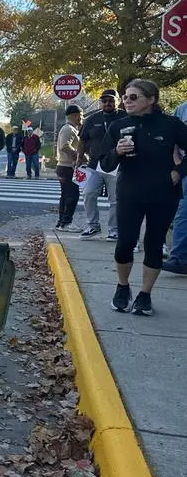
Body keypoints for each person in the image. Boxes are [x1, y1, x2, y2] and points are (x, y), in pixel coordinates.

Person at [102, 79, 187, 316]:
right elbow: (105, 163)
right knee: (125, 243)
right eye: (125, 97)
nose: (127, 101)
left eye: (133, 97)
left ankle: (145, 294)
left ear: (151, 100)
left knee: (153, 244)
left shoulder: (171, 125)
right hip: (130, 192)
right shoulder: (118, 126)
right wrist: (117, 152)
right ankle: (123, 287)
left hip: (163, 193)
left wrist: (178, 172)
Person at [76, 89, 126, 240]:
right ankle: (93, 226)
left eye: (111, 100)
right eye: (104, 101)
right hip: (94, 164)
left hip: (117, 164)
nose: (107, 103)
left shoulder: (126, 117)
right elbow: (83, 140)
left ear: (118, 101)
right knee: (88, 193)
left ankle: (114, 230)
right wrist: (79, 157)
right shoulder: (91, 119)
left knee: (115, 199)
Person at [162, 99, 187, 274]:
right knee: (183, 213)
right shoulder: (181, 109)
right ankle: (178, 258)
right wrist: (178, 164)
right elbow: (174, 139)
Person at [55, 105, 82, 231]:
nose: (81, 118)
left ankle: (62, 222)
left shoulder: (71, 129)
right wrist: (77, 156)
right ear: (74, 115)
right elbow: (65, 146)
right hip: (67, 167)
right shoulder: (69, 129)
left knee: (66, 195)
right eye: (80, 115)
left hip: (64, 166)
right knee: (72, 195)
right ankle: (66, 223)